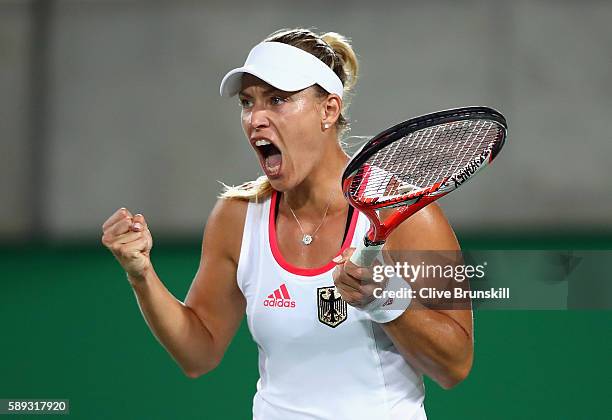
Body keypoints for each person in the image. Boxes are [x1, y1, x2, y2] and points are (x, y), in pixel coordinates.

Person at [101, 28, 473, 420]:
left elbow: (454, 367)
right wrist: (141, 274)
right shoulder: (236, 217)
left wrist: (385, 299)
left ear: (328, 110)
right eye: (248, 102)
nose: (255, 118)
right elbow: (199, 352)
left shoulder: (404, 215)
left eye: (277, 100)